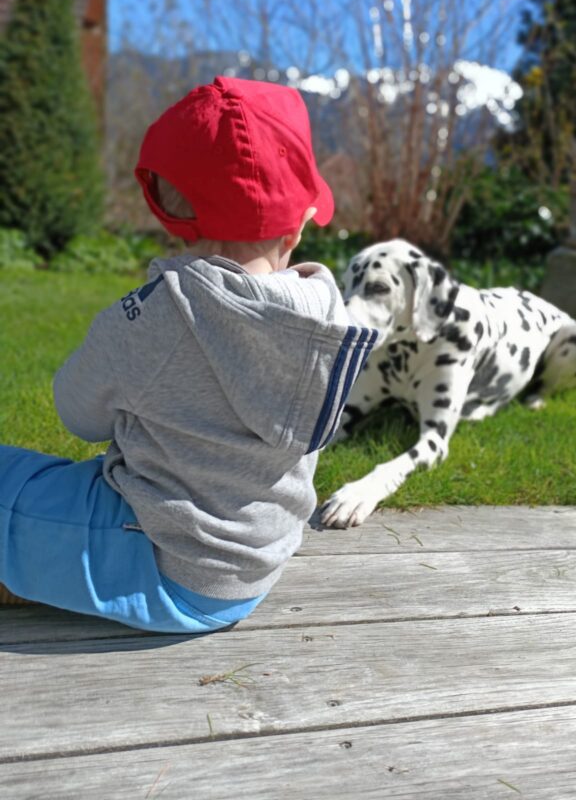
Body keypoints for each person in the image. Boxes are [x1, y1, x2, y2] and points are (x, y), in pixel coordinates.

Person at [0, 77, 376, 632]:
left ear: (172, 210)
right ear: (298, 224)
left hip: (163, 564)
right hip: (255, 566)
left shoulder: (163, 312)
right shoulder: (326, 317)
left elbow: (75, 412)